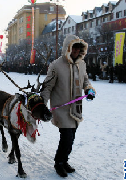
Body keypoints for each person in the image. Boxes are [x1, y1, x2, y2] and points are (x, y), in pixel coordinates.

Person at [40, 35, 96, 177]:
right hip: (61, 108)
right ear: (68, 48)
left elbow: (85, 81)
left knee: (72, 137)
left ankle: (64, 160)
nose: (77, 50)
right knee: (67, 137)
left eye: (79, 47)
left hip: (76, 109)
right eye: (74, 47)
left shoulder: (81, 64)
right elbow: (47, 87)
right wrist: (42, 105)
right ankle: (59, 162)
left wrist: (89, 90)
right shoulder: (56, 65)